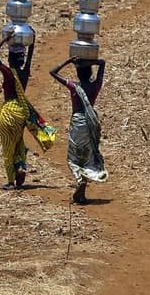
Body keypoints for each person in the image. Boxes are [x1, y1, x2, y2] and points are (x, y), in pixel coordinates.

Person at [50, 57, 108, 204]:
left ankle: (80, 180)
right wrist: (91, 62)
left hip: (77, 123)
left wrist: (68, 61)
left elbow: (53, 72)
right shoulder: (96, 86)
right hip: (90, 123)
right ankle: (82, 190)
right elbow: (103, 63)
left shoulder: (74, 87)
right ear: (90, 73)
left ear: (78, 74)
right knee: (87, 156)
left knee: (73, 158)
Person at [0, 31, 35, 190]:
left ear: (10, 59)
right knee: (18, 142)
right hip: (21, 112)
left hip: (9, 111)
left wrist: (5, 39)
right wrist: (32, 40)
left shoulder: (9, 73)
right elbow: (29, 57)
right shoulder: (24, 73)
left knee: (8, 147)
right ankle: (20, 166)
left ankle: (10, 181)